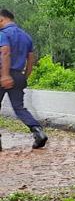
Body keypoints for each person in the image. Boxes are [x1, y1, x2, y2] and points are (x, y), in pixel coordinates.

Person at [0, 8, 47, 150]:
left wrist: (5, 75)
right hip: (19, 74)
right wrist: (24, 76)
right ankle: (38, 131)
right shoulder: (26, 36)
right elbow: (31, 59)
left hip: (3, 74)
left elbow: (5, 53)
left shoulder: (3, 34)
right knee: (19, 108)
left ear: (2, 19)